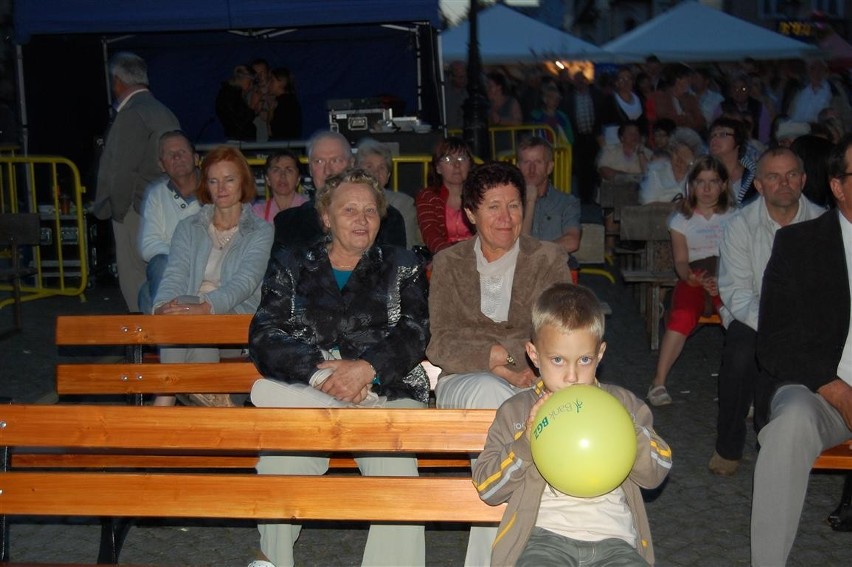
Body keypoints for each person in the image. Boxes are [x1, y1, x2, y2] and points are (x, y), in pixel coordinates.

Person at [248, 168, 430, 567]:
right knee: (283, 460)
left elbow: (414, 331)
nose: (361, 219)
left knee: (395, 466)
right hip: (312, 395)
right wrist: (321, 373)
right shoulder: (293, 262)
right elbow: (264, 333)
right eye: (349, 209)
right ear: (326, 217)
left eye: (370, 210)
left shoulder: (402, 264)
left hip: (386, 394)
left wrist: (367, 369)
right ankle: (271, 561)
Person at [427, 161, 573, 565]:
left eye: (513, 205)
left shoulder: (548, 259)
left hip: (532, 377)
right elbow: (441, 341)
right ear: (470, 213)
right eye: (493, 206)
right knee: (494, 396)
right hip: (464, 381)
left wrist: (504, 356)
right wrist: (495, 359)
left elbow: (554, 329)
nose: (506, 218)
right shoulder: (449, 263)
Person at [473, 283, 672, 566]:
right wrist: (526, 444)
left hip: (615, 542)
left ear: (600, 354)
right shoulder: (517, 412)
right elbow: (488, 488)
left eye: (585, 360)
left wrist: (628, 430)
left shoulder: (622, 405)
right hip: (544, 541)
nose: (572, 376)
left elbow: (657, 472)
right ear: (533, 354)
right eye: (557, 360)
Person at [751, 134, 852, 566]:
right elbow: (775, 342)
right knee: (789, 425)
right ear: (838, 186)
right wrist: (838, 392)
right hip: (820, 392)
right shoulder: (800, 244)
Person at [709, 147, 825, 476]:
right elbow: (736, 292)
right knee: (741, 352)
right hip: (753, 314)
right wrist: (776, 328)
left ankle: (777, 439)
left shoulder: (822, 224)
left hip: (808, 319)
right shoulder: (739, 226)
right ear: (759, 185)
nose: (783, 183)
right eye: (773, 177)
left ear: (803, 180)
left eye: (791, 175)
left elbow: (827, 291)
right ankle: (728, 446)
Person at [151, 146, 273, 407]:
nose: (221, 188)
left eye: (229, 179)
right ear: (205, 184)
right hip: (189, 315)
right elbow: (175, 273)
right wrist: (162, 307)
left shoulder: (261, 231)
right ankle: (210, 398)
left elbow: (246, 282)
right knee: (184, 313)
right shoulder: (189, 227)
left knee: (191, 314)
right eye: (213, 180)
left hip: (236, 318)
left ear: (243, 182)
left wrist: (206, 306)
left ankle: (164, 399)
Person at [93, 52, 180, 313]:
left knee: (135, 280)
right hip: (164, 206)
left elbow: (122, 171)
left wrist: (118, 210)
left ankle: (140, 342)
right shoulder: (165, 112)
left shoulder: (132, 114)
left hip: (135, 208)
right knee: (160, 276)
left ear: (117, 81)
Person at [647, 156, 735, 406]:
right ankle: (658, 380)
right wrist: (693, 277)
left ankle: (743, 386)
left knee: (737, 315)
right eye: (700, 182)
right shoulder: (681, 219)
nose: (707, 189)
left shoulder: (735, 216)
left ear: (724, 185)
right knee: (682, 314)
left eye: (713, 182)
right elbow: (681, 261)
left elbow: (741, 255)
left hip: (728, 274)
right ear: (692, 186)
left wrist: (723, 280)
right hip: (695, 275)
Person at [272, 130, 406, 251]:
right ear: (310, 169)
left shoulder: (387, 219)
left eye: (336, 160)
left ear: (352, 164)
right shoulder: (287, 223)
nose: (328, 171)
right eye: (319, 161)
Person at [138, 131, 202, 314]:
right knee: (159, 266)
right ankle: (173, 331)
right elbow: (148, 246)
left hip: (209, 267)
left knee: (147, 294)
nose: (176, 157)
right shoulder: (156, 194)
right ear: (161, 165)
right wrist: (181, 259)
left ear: (196, 158)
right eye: (169, 154)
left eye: (182, 151)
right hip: (173, 271)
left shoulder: (214, 188)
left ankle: (172, 332)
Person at [517, 136, 581, 254]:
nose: (532, 169)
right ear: (518, 166)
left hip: (553, 269)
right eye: (526, 162)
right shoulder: (509, 202)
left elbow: (572, 241)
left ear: (549, 167)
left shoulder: (566, 202)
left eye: (538, 162)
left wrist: (535, 253)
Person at [355, 137, 421, 248]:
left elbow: (406, 249)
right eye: (369, 166)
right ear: (356, 172)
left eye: (382, 168)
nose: (375, 172)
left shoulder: (403, 204)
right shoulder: (343, 203)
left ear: (388, 176)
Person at [415, 137, 474, 255]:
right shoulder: (427, 196)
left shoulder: (481, 194)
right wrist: (450, 257)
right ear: (437, 168)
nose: (456, 164)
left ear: (470, 165)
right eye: (448, 159)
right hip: (442, 256)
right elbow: (430, 233)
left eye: (462, 158)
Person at [707, 117, 755, 206]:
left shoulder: (756, 176)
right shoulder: (703, 174)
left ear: (738, 141)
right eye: (712, 135)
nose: (714, 139)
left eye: (723, 134)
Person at [251, 149, 307, 223]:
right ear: (267, 179)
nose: (282, 175)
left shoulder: (310, 211)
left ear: (298, 179)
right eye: (276, 170)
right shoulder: (257, 213)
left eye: (289, 170)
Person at [638, 138, 698, 205]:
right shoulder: (656, 172)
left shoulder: (695, 176)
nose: (679, 160)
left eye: (684, 157)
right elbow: (648, 203)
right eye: (677, 154)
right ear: (671, 154)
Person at [599, 66, 648, 147]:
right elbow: (599, 127)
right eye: (622, 79)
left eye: (629, 79)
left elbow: (643, 124)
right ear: (616, 82)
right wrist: (605, 148)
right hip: (614, 146)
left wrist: (642, 142)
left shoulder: (640, 99)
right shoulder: (609, 101)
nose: (626, 82)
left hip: (635, 146)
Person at [649, 64, 705, 134]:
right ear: (677, 79)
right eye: (687, 78)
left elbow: (700, 122)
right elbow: (661, 121)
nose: (690, 82)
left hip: (690, 138)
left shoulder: (691, 99)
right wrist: (687, 118)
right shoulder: (657, 97)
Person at [215, 64, 257, 142]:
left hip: (240, 140)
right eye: (250, 82)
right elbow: (240, 123)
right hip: (239, 141)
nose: (251, 86)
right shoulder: (230, 96)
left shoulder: (231, 94)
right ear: (244, 79)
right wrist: (252, 106)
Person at [267, 67, 302, 141]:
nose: (269, 84)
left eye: (272, 80)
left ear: (282, 83)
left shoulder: (284, 103)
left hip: (282, 147)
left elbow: (274, 130)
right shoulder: (290, 100)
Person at [444, 61, 468, 130]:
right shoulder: (444, 91)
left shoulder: (469, 93)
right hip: (447, 133)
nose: (463, 80)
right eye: (460, 77)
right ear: (452, 77)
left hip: (463, 134)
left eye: (464, 76)